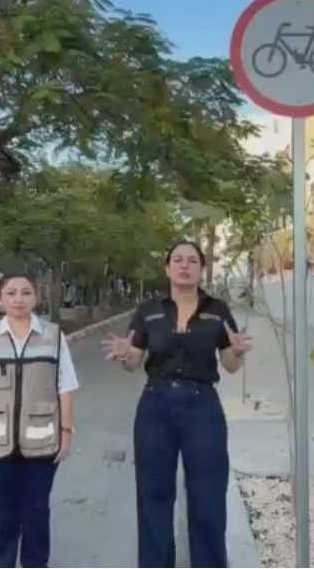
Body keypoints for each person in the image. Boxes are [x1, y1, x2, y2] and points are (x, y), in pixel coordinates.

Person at [102, 241, 252, 567]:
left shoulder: (218, 309)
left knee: (208, 496)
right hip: (155, 405)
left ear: (201, 268)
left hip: (203, 408)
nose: (185, 265)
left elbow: (229, 365)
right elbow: (134, 360)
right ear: (167, 267)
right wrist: (125, 356)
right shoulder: (148, 310)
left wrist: (236, 352)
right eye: (178, 260)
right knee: (153, 495)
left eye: (193, 260)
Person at [0, 272, 78, 567]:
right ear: (1, 299)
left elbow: (67, 387)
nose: (18, 299)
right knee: (3, 512)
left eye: (25, 292)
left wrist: (66, 432)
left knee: (36, 511)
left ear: (36, 297)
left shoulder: (53, 336)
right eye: (11, 293)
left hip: (42, 443)